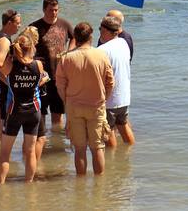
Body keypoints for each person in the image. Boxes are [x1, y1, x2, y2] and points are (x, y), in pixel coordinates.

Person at [56, 22, 114, 176]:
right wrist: (104, 99)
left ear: (75, 37)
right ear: (91, 36)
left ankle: (80, 186)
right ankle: (98, 187)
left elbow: (60, 86)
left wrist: (67, 101)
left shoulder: (66, 58)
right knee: (98, 148)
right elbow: (110, 83)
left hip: (74, 107)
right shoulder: (101, 55)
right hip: (96, 106)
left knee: (79, 149)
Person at [0, 30, 48, 184]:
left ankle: (0, 185)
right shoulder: (38, 65)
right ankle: (29, 184)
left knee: (5, 152)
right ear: (31, 47)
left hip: (14, 110)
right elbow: (41, 79)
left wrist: (10, 58)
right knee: (31, 151)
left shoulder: (10, 66)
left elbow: (0, 71)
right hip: (33, 111)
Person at [29, 0, 75, 134]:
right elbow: (25, 45)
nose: (54, 13)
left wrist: (69, 51)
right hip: (42, 77)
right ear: (44, 10)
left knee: (58, 113)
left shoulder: (64, 24)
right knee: (41, 113)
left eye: (56, 10)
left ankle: (56, 142)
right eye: (51, 10)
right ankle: (41, 140)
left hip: (60, 75)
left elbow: (74, 38)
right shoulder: (34, 27)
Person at [97, 16, 135, 147]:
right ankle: (128, 154)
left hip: (109, 99)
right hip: (124, 97)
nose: (99, 32)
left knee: (108, 131)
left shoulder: (102, 50)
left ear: (106, 30)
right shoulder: (123, 43)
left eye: (100, 29)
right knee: (123, 126)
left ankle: (112, 163)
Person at [0, 9, 22, 137]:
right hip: (1, 88)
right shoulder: (4, 41)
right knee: (1, 124)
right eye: (18, 23)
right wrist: (10, 84)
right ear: (9, 23)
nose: (19, 26)